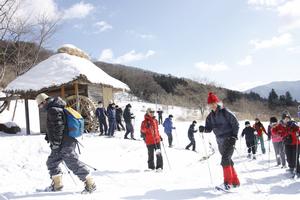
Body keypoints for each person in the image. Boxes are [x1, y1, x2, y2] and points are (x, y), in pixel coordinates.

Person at [35, 93, 96, 193]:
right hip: (63, 142)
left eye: (40, 105)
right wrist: (49, 136)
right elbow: (55, 126)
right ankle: (57, 185)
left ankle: (90, 183)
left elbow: (58, 128)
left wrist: (55, 143)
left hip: (64, 143)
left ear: (44, 101)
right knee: (51, 163)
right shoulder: (56, 108)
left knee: (72, 163)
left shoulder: (53, 110)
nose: (40, 107)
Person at [199, 92, 240, 191]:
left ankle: (227, 183)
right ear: (208, 105)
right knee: (228, 160)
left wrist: (234, 137)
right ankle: (235, 181)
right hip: (220, 141)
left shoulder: (225, 112)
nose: (212, 105)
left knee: (225, 160)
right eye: (210, 103)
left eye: (214, 102)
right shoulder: (210, 117)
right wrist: (203, 129)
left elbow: (236, 124)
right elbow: (208, 129)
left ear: (217, 102)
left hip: (230, 139)